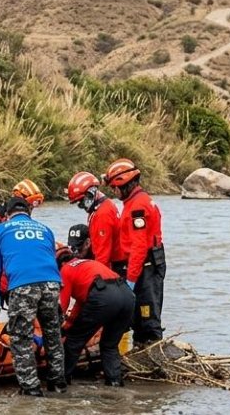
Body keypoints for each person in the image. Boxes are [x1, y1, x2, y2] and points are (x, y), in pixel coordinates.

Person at [0, 197, 67, 396]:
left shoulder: (0, 230)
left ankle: (31, 388)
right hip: (52, 284)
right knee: (53, 335)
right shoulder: (45, 229)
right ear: (29, 212)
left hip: (23, 285)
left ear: (7, 214)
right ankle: (58, 384)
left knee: (21, 338)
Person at [103, 158, 166, 346]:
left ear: (125, 184)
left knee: (147, 316)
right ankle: (143, 350)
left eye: (115, 188)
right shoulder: (136, 201)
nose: (114, 192)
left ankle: (152, 352)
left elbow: (139, 247)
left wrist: (131, 279)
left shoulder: (137, 206)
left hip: (146, 264)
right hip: (148, 262)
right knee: (140, 314)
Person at [56, 245, 136, 386]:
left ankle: (61, 380)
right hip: (127, 296)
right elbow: (81, 302)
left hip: (104, 298)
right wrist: (68, 324)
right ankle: (115, 383)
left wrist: (55, 327)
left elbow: (63, 304)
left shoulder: (65, 270)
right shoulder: (88, 263)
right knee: (110, 344)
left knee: (74, 341)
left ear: (60, 263)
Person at [67, 171, 126, 276]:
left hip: (115, 266)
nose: (80, 206)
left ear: (90, 194)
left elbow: (103, 255)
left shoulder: (102, 214)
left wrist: (96, 278)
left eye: (81, 202)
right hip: (116, 263)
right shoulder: (102, 206)